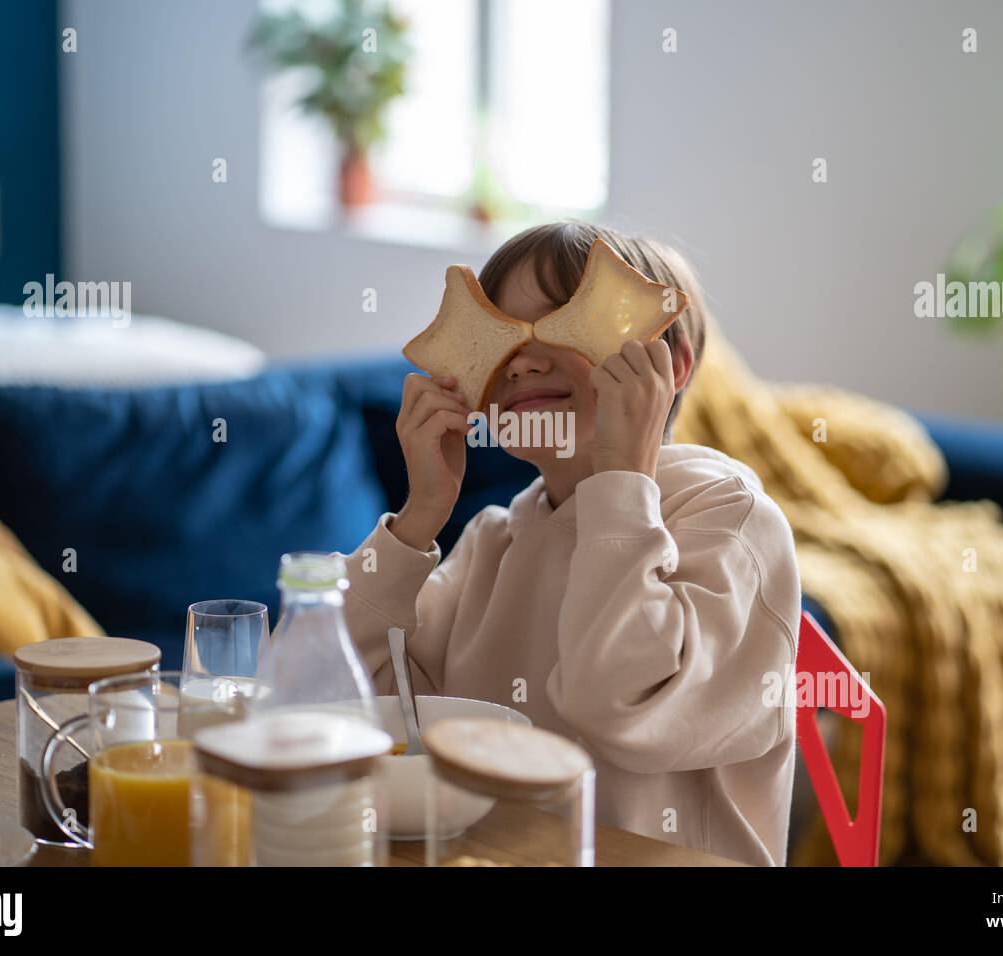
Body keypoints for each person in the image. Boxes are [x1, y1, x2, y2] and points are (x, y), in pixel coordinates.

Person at [342, 221, 801, 865]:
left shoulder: (728, 519)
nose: (525, 358)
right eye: (503, 335)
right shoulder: (493, 540)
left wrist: (620, 477)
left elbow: (618, 705)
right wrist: (419, 517)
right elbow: (345, 703)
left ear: (670, 370)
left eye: (566, 323)